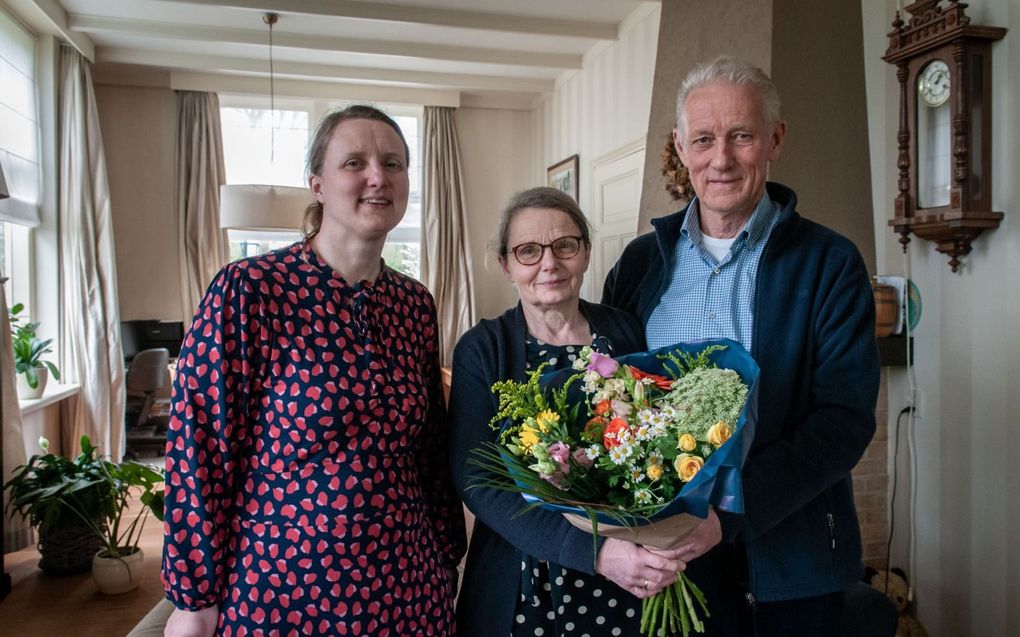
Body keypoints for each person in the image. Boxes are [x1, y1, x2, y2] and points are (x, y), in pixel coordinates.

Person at [161, 104, 466, 636]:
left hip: (409, 588)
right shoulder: (249, 289)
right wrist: (194, 598)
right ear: (318, 185)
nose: (378, 176)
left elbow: (429, 449)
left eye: (393, 164)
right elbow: (199, 446)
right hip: (283, 587)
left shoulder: (414, 303)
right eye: (355, 162)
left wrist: (447, 554)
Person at [603, 56, 880, 636]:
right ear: (681, 147)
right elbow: (615, 401)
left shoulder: (829, 263)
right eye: (703, 139)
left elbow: (843, 421)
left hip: (795, 561)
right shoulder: (637, 266)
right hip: (671, 564)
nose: (720, 159)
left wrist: (729, 512)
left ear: (775, 138)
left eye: (741, 136)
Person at [448, 187, 737, 637]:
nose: (549, 263)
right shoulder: (483, 349)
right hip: (530, 579)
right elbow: (478, 480)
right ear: (506, 265)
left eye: (565, 245)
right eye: (528, 251)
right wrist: (595, 552)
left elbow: (656, 447)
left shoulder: (623, 330)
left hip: (634, 573)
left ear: (584, 252)